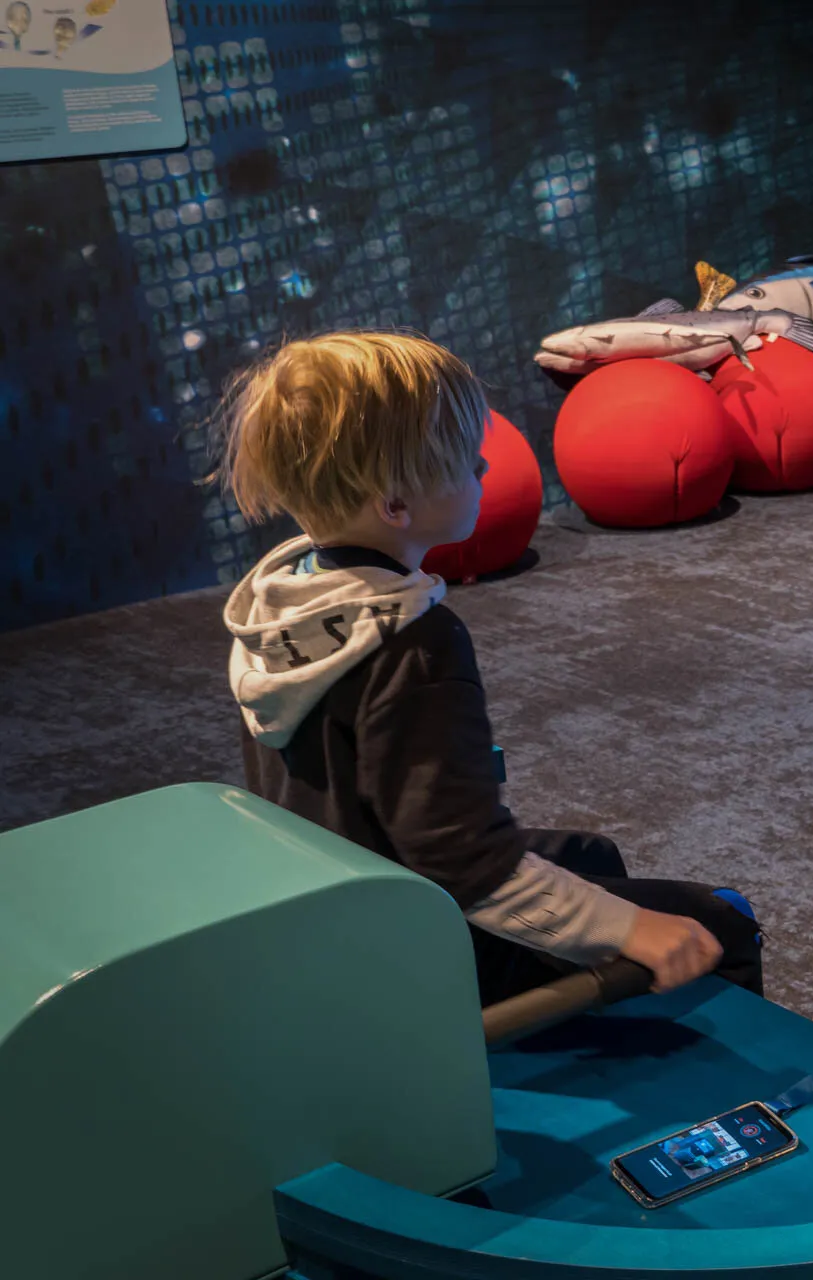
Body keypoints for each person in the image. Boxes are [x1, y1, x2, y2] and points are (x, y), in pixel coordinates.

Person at [213, 331, 762, 1005]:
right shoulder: (415, 647)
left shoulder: (281, 603)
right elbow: (462, 863)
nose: (482, 467)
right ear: (394, 506)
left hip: (335, 907)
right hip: (411, 945)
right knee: (719, 925)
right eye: (464, 459)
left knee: (590, 855)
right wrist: (633, 929)